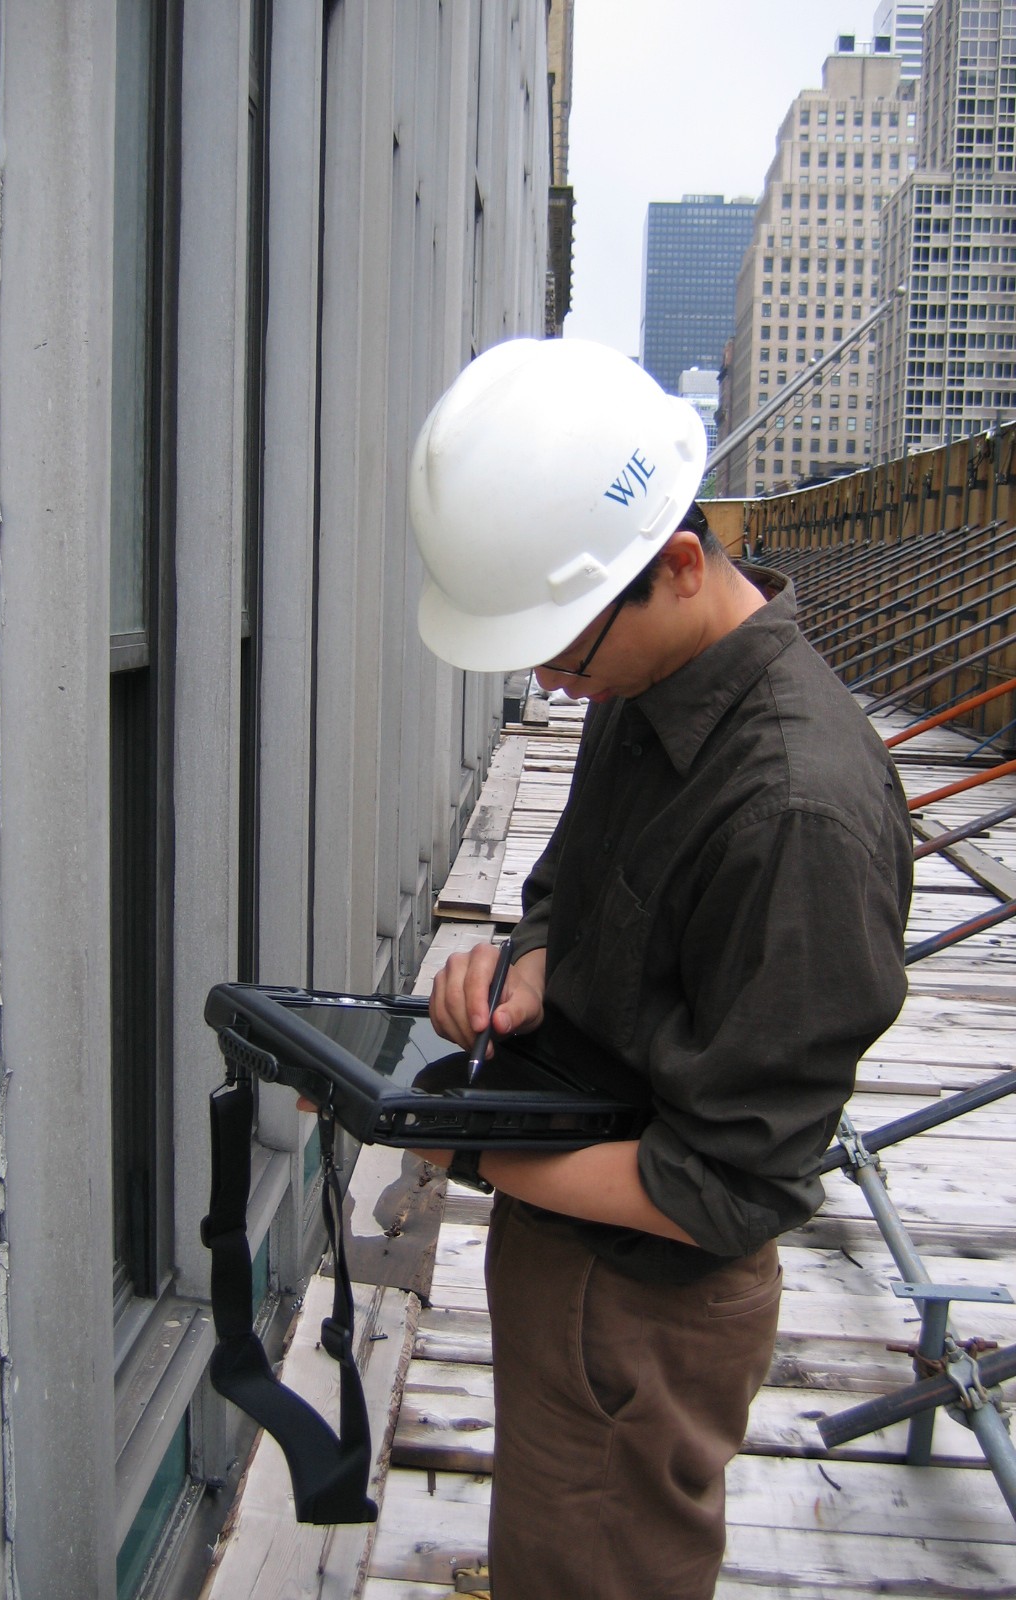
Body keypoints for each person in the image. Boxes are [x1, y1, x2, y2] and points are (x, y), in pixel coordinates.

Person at [406, 338, 913, 1600]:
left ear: (679, 565)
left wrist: (448, 1138)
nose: (550, 680)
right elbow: (571, 887)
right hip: (569, 1231)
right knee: (548, 1550)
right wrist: (529, 962)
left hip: (642, 1304)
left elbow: (732, 1182)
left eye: (565, 654)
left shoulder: (797, 813)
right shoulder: (646, 674)